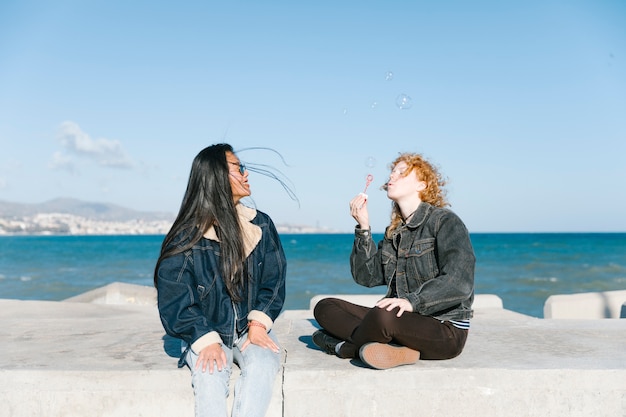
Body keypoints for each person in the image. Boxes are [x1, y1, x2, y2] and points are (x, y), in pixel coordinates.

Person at [154, 143, 286, 417]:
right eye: (239, 168)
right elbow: (175, 300)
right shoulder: (187, 236)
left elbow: (274, 281)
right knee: (210, 372)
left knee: (263, 363)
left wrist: (258, 324)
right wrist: (204, 339)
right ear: (216, 177)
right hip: (205, 331)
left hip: (249, 328)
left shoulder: (261, 225)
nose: (246, 174)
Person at [312, 152, 475, 370]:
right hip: (401, 321)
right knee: (325, 307)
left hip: (444, 329)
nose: (392, 176)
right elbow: (366, 277)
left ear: (422, 185)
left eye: (401, 172)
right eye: (392, 172)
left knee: (383, 317)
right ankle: (394, 348)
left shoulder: (444, 222)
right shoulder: (395, 233)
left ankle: (344, 348)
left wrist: (412, 302)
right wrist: (363, 228)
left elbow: (459, 282)